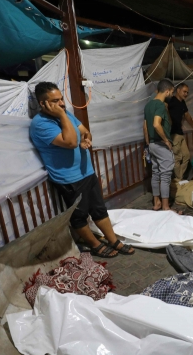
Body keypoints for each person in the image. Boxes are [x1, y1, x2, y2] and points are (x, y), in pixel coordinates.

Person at [30, 82, 134, 258]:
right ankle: (94, 244)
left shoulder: (66, 115)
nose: (62, 103)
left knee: (99, 209)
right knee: (79, 215)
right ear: (43, 104)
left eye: (61, 99)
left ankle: (113, 240)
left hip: (86, 171)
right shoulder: (40, 124)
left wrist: (86, 138)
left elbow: (84, 131)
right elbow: (70, 142)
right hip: (69, 178)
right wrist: (62, 115)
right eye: (55, 101)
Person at [144, 79, 178, 211]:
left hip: (152, 144)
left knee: (156, 173)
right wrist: (166, 140)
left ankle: (156, 202)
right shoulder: (160, 105)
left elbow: (145, 127)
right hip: (160, 144)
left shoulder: (148, 106)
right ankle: (165, 207)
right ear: (168, 90)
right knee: (165, 175)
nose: (171, 95)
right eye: (172, 92)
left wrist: (148, 143)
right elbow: (156, 124)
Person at [168, 83, 193, 181]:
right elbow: (165, 112)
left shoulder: (182, 102)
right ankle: (178, 179)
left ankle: (179, 178)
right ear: (178, 90)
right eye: (184, 91)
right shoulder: (171, 101)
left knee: (186, 156)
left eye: (187, 92)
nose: (186, 94)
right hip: (173, 133)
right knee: (177, 157)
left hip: (180, 132)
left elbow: (187, 115)